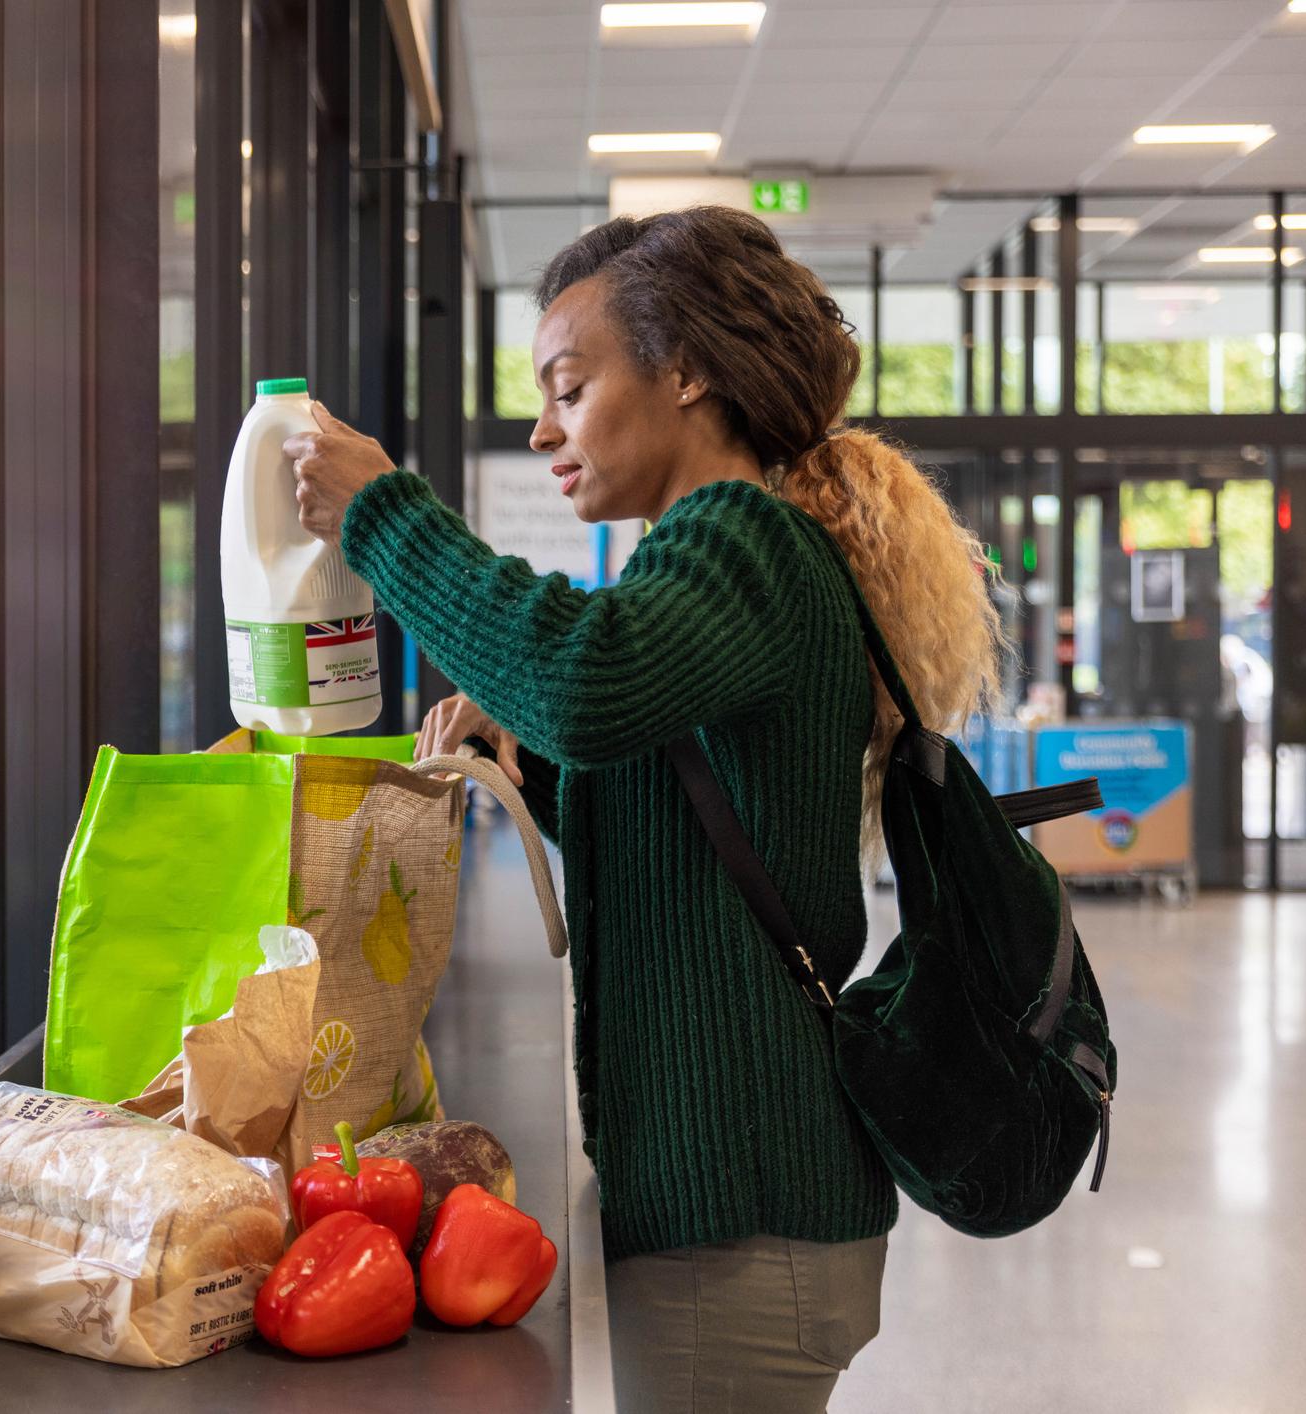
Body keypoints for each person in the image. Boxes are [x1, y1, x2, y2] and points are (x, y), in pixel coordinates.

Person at [284, 205, 1003, 1412]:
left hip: (745, 1206)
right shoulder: (723, 553)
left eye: (568, 385)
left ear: (687, 372)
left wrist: (382, 513)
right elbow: (679, 810)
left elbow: (586, 678)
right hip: (744, 1199)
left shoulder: (743, 538)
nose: (539, 425)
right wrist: (538, 766)